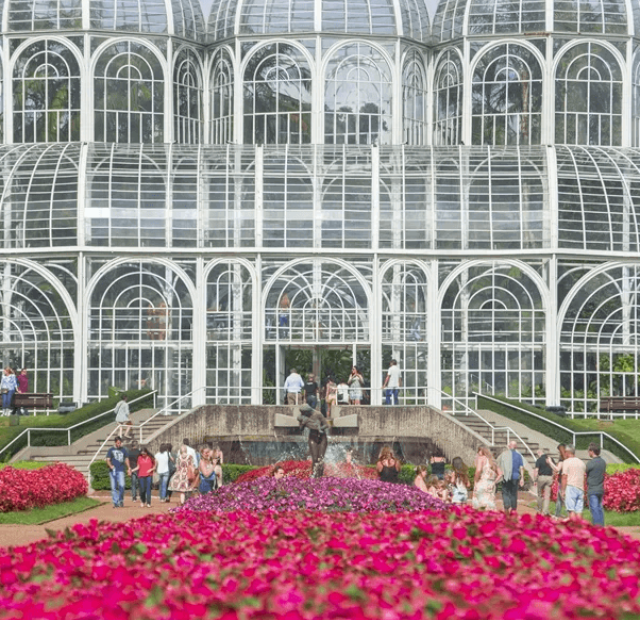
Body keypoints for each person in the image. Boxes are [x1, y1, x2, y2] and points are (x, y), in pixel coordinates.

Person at [297, 403, 329, 477]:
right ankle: (314, 475)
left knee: (320, 458)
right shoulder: (303, 417)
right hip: (312, 437)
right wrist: (302, 423)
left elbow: (326, 425)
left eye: (303, 412)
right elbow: (300, 429)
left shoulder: (318, 414)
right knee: (314, 458)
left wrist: (320, 428)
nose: (302, 414)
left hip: (322, 437)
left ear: (307, 411)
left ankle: (320, 475)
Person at [496, 440, 525, 514]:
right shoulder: (518, 455)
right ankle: (513, 508)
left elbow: (497, 464)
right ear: (516, 447)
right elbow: (521, 467)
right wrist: (522, 478)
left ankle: (506, 505)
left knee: (505, 491)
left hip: (506, 476)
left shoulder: (503, 454)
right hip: (515, 476)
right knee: (513, 492)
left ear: (509, 446)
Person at [561, 444, 587, 521]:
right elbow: (584, 477)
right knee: (579, 510)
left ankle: (573, 528)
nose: (564, 453)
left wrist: (563, 490)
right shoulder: (581, 462)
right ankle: (580, 529)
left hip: (571, 486)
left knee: (571, 509)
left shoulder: (566, 462)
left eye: (565, 452)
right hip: (580, 488)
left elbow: (564, 477)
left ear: (567, 452)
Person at [106, 437, 130, 508]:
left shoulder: (124, 450)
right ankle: (115, 502)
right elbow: (108, 459)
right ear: (115, 442)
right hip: (113, 471)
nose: (119, 444)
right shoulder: (111, 450)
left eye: (120, 443)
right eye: (118, 443)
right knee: (114, 487)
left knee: (122, 485)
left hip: (121, 470)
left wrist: (129, 468)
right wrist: (110, 466)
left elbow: (126, 459)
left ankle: (121, 500)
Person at [586, 442, 606, 526]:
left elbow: (586, 473)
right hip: (600, 488)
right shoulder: (603, 462)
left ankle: (597, 528)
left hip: (592, 488)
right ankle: (601, 526)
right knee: (599, 508)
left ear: (591, 451)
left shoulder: (590, 463)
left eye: (588, 451)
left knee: (594, 509)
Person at [472, 446, 498, 510]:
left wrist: (475, 481)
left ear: (482, 451)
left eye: (479, 451)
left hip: (483, 482)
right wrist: (494, 482)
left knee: (479, 502)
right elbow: (499, 473)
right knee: (490, 503)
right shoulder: (492, 460)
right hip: (491, 483)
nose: (478, 452)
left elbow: (478, 470)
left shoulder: (481, 459)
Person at [533, 448, 554, 516]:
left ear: (539, 452)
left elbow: (536, 470)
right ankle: (545, 511)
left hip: (541, 477)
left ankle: (539, 508)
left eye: (537, 453)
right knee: (547, 495)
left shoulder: (539, 460)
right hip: (549, 477)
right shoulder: (551, 459)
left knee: (539, 494)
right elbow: (554, 468)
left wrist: (535, 480)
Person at [548, 443, 566, 519]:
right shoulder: (567, 458)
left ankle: (569, 514)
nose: (558, 452)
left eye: (559, 450)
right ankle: (557, 514)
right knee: (559, 498)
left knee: (562, 498)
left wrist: (550, 462)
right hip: (563, 479)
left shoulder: (562, 459)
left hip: (562, 480)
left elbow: (557, 469)